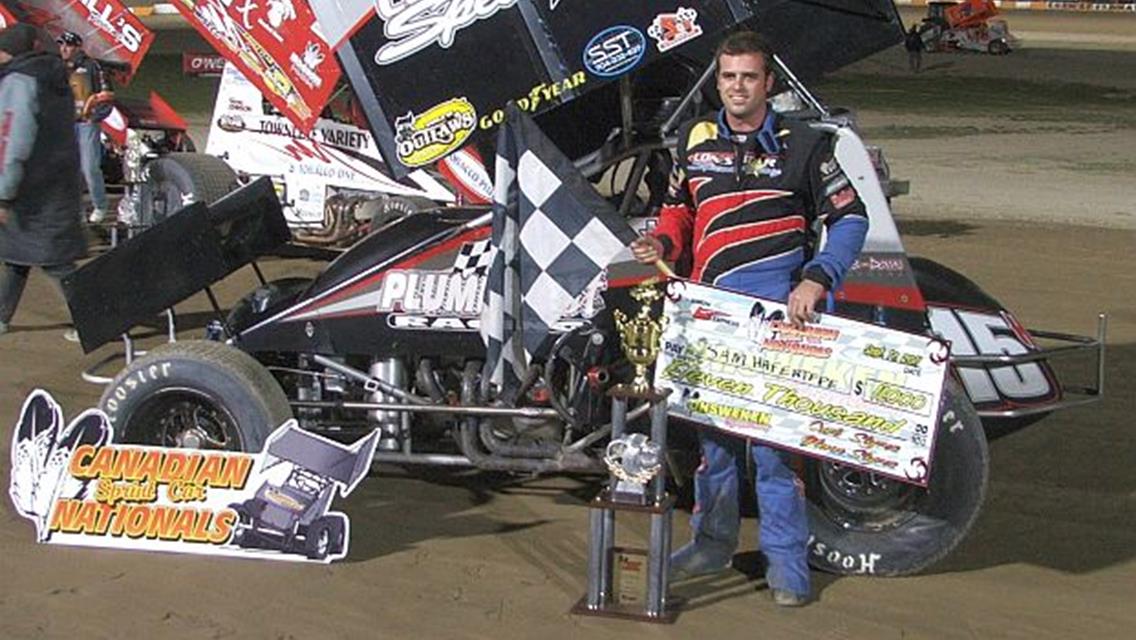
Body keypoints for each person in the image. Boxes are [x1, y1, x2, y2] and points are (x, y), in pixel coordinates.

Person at [630, 31, 868, 607]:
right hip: (708, 317)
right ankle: (711, 544)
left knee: (773, 452)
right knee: (712, 446)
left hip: (778, 322)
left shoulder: (806, 144)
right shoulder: (694, 140)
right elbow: (678, 210)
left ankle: (787, 564)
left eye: (749, 77)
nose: (738, 87)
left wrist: (818, 277)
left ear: (769, 83)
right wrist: (662, 241)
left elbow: (851, 218)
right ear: (718, 81)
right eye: (728, 76)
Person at [0, 24, 87, 341]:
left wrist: (3, 194)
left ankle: (95, 317)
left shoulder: (19, 80)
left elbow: (12, 139)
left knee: (56, 262)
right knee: (17, 256)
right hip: (58, 180)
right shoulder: (53, 76)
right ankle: (1, 317)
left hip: (30, 187)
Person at [57, 30, 111, 223]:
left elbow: (107, 95)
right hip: (66, 124)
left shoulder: (92, 66)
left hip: (87, 124)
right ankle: (76, 210)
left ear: (78, 47)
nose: (64, 49)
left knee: (89, 167)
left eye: (69, 45)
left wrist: (94, 117)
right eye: (61, 44)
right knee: (69, 169)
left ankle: (100, 205)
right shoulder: (57, 67)